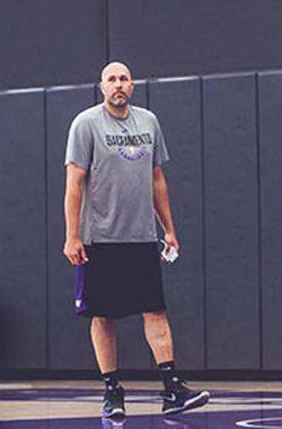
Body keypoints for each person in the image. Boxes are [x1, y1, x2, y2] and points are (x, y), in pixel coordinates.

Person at [63, 61, 209, 420]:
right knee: (103, 316)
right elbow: (74, 183)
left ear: (133, 85)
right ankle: (112, 390)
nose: (118, 85)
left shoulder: (149, 122)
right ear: (101, 86)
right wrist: (72, 236)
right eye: (112, 79)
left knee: (155, 311)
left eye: (124, 79)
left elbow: (157, 178)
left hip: (141, 236)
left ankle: (172, 387)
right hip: (99, 239)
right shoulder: (86, 124)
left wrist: (169, 228)